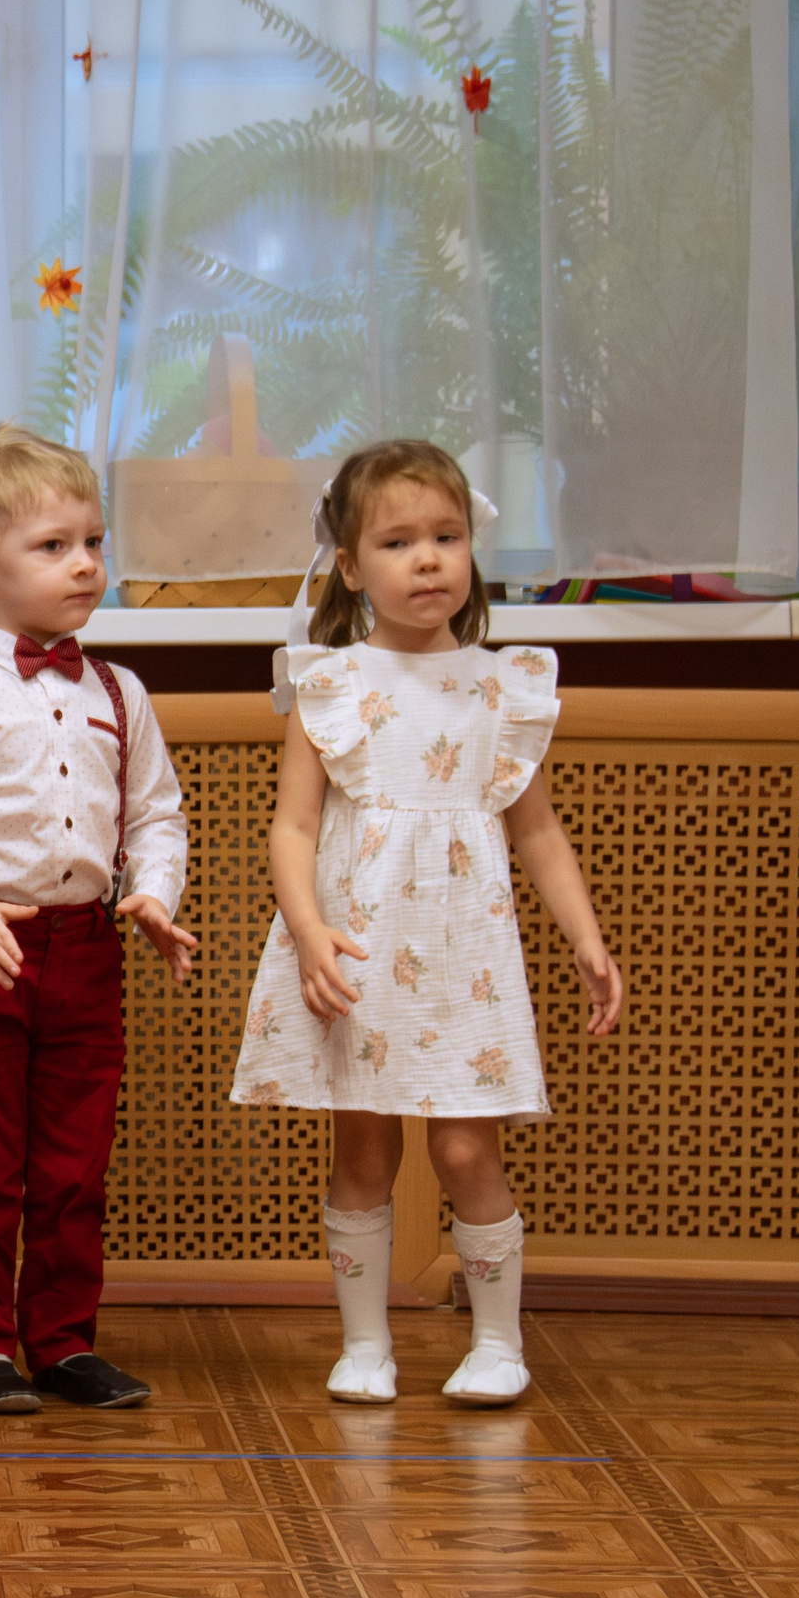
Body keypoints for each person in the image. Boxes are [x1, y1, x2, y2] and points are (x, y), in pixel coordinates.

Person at [230, 439, 623, 1408]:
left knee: (462, 1150)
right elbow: (291, 826)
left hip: (464, 956)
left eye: (446, 536)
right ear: (351, 566)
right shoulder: (326, 685)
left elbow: (537, 835)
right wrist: (310, 930)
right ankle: (365, 1347)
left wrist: (584, 938)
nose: (428, 560)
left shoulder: (504, 687)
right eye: (398, 541)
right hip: (357, 949)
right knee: (362, 1149)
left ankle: (497, 1344)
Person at [0, 421, 197, 1417]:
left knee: (71, 1163)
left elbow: (157, 814)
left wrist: (152, 892)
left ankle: (61, 1342)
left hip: (86, 955)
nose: (84, 564)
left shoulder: (119, 692)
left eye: (92, 541)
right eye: (53, 546)